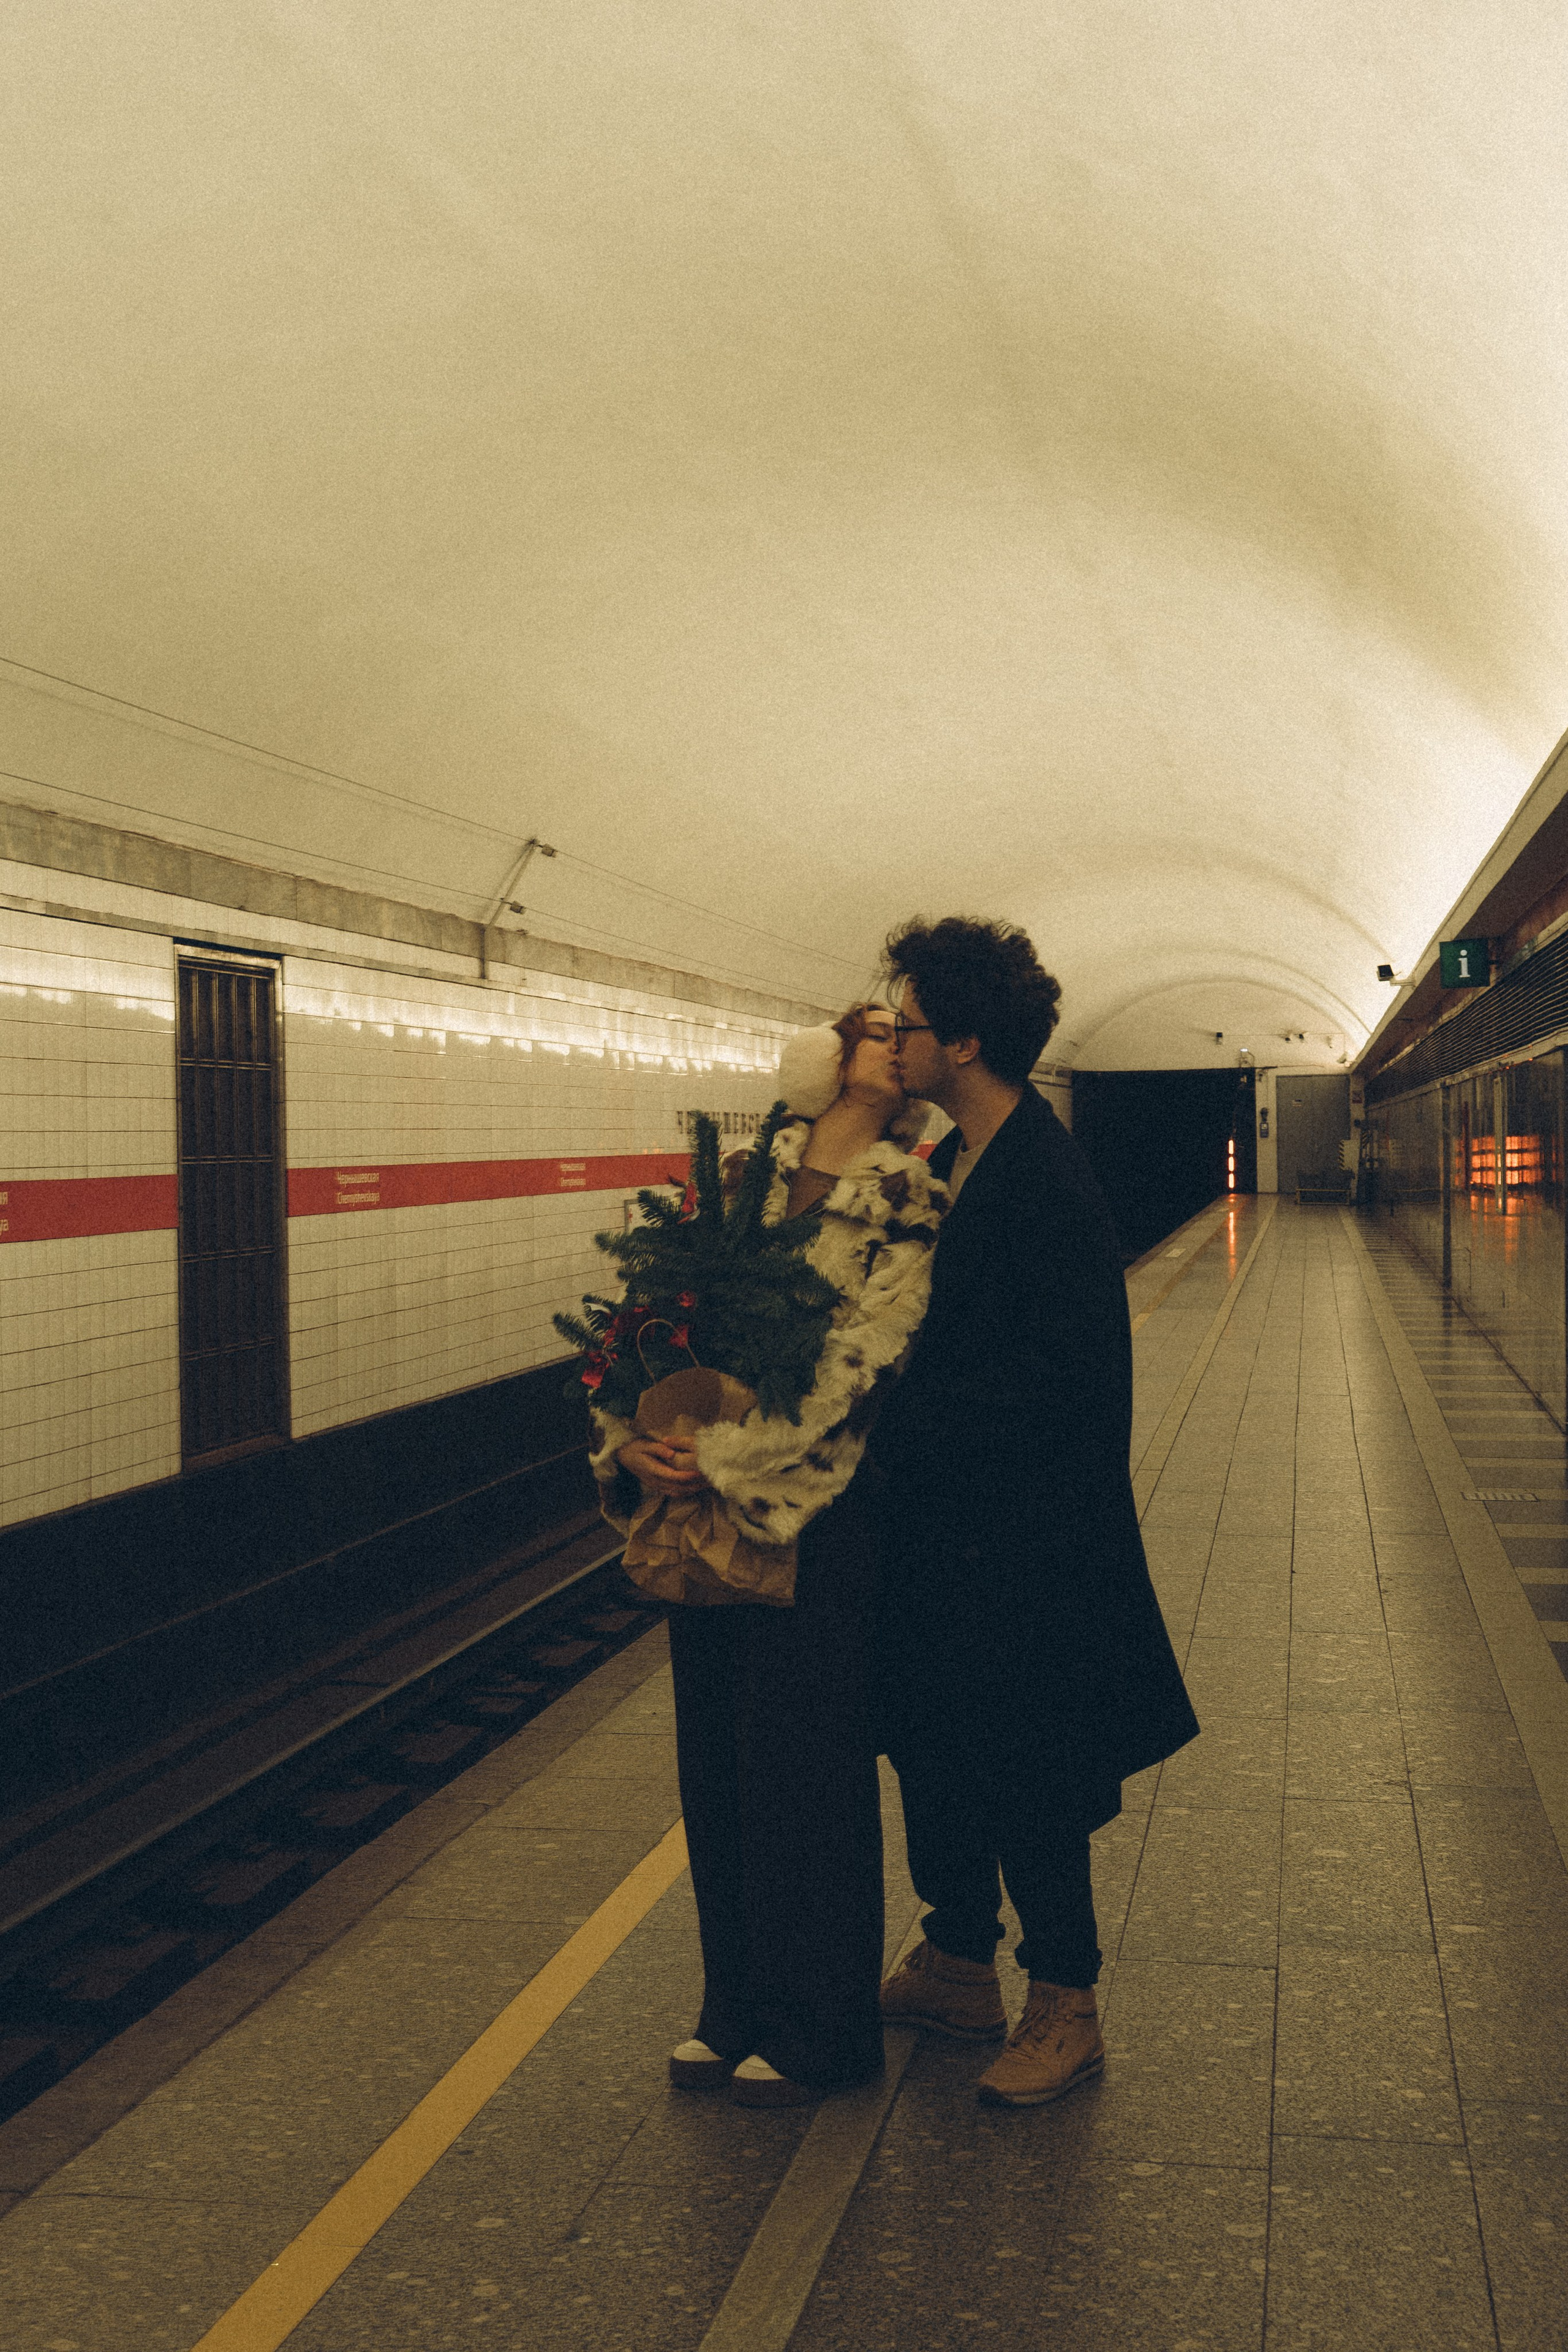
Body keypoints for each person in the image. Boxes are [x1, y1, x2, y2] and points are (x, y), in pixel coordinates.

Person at [590, 1005, 946, 2106]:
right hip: (706, 1527)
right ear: (827, 1057)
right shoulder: (738, 1181)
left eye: (907, 1032)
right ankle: (733, 2005)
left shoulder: (909, 1197)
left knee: (808, 1774)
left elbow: (870, 1360)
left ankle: (824, 2029)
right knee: (720, 1768)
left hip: (821, 1520)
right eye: (874, 1029)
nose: (895, 1043)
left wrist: (734, 1456)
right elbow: (645, 1322)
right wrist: (634, 1441)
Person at [873, 918, 1199, 2107]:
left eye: (906, 1025)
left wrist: (895, 1411)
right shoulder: (955, 1161)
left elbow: (1064, 1383)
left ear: (961, 1040)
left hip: (1022, 1544)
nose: (892, 1043)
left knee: (1026, 1768)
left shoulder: (1041, 1182)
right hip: (948, 1536)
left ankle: (1066, 2002)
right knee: (932, 1742)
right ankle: (959, 1958)